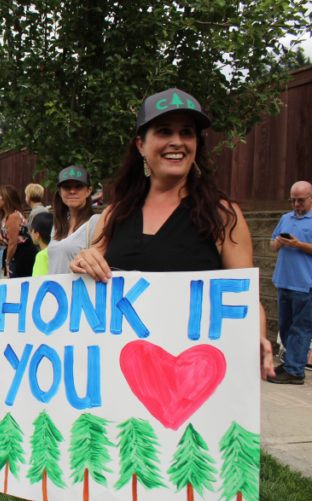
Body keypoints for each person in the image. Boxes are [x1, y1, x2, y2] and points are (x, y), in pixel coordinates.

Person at [68, 87, 274, 379]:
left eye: (187, 133)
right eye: (164, 131)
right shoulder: (114, 215)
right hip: (117, 378)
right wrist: (83, 263)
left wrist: (256, 338)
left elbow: (246, 299)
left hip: (192, 380)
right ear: (141, 144)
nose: (177, 142)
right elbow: (91, 272)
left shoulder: (223, 216)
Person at [268, 180, 312, 384]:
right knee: (285, 327)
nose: (296, 204)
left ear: (310, 198)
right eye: (292, 200)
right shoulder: (285, 218)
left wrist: (298, 244)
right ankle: (290, 362)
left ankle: (295, 371)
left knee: (300, 328)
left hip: (306, 284)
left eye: (300, 200)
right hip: (284, 280)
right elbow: (271, 244)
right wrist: (278, 243)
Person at [47, 165, 101, 274]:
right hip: (54, 289)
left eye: (79, 186)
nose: (72, 191)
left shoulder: (96, 222)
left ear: (89, 191)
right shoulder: (57, 225)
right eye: (67, 187)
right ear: (60, 192)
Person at [0, 184, 36, 278]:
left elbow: (13, 243)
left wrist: (7, 262)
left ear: (6, 198)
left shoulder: (13, 216)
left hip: (22, 256)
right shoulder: (8, 216)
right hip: (19, 254)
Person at [30, 212, 53, 277]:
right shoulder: (59, 251)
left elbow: (38, 281)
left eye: (32, 230)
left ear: (37, 234)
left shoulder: (41, 256)